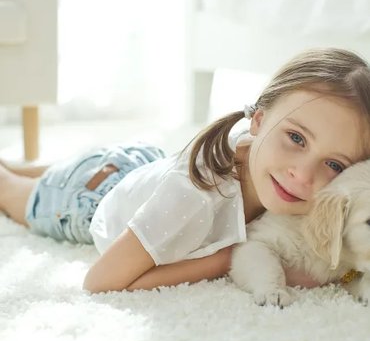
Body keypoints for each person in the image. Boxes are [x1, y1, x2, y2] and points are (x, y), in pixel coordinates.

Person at [2, 47, 370, 295]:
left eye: (334, 164)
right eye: (296, 138)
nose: (303, 175)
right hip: (85, 199)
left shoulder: (267, 160)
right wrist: (223, 260)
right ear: (258, 120)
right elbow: (100, 281)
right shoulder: (194, 199)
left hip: (144, 165)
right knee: (11, 188)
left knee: (67, 166)